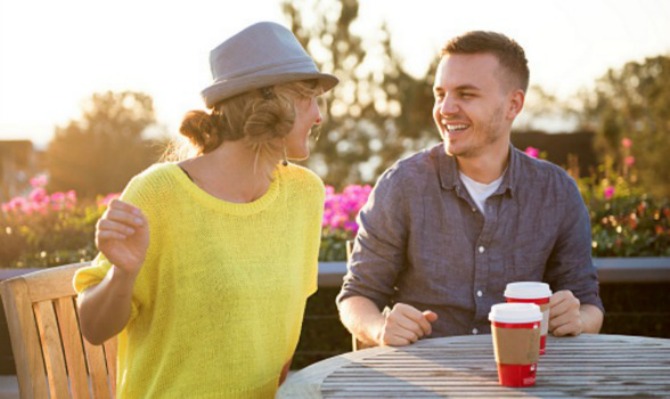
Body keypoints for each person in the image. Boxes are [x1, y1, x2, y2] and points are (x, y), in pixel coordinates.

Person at [74, 21, 338, 398]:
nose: (319, 116)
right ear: (270, 102)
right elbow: (94, 328)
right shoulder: (158, 192)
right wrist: (123, 273)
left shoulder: (305, 194)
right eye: (307, 98)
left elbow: (276, 331)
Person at [336, 30, 604, 348]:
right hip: (422, 385)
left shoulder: (556, 193)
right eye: (440, 94)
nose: (445, 109)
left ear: (513, 105)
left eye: (465, 94)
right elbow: (356, 297)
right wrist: (380, 328)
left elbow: (588, 305)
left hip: (523, 384)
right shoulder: (402, 186)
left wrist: (577, 318)